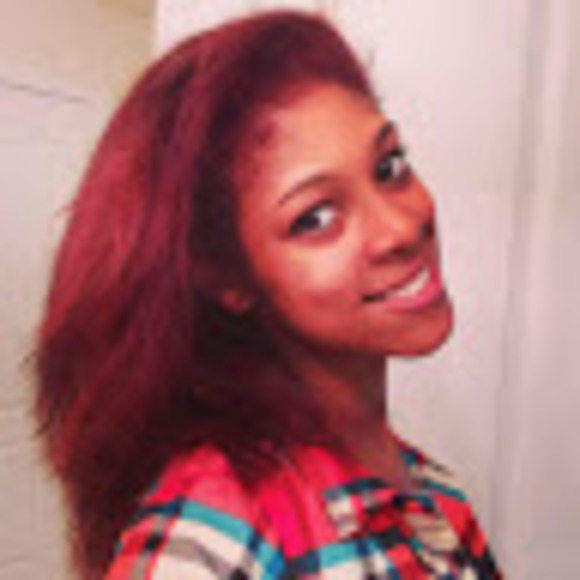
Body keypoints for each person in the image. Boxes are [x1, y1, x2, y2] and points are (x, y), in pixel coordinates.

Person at [32, 9, 502, 579]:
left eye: (389, 166)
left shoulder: (435, 495)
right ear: (228, 279)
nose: (400, 228)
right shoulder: (214, 533)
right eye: (316, 217)